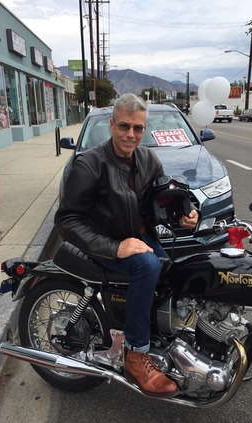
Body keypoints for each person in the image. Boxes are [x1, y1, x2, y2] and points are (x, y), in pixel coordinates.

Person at [54, 93, 200, 398]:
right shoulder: (89, 164)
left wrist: (186, 214)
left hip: (138, 237)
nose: (131, 135)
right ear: (111, 124)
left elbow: (163, 198)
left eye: (138, 128)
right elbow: (67, 220)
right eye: (124, 126)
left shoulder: (148, 159)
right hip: (103, 243)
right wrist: (114, 248)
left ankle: (158, 334)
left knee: (176, 270)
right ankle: (135, 353)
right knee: (147, 267)